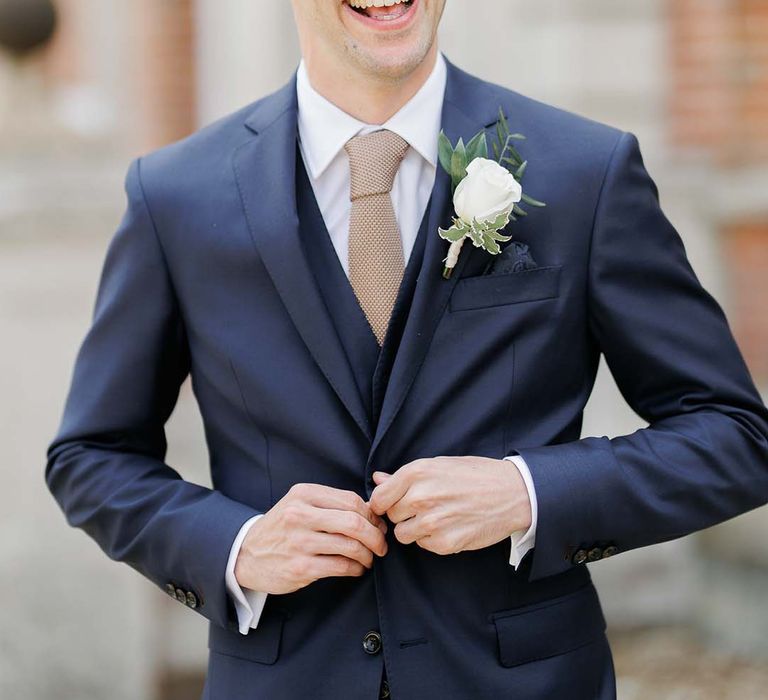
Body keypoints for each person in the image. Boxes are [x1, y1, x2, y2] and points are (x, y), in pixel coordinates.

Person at [45, 1, 768, 698]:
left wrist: (528, 493)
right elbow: (91, 456)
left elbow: (735, 437)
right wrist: (237, 548)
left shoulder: (585, 170)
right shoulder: (176, 195)